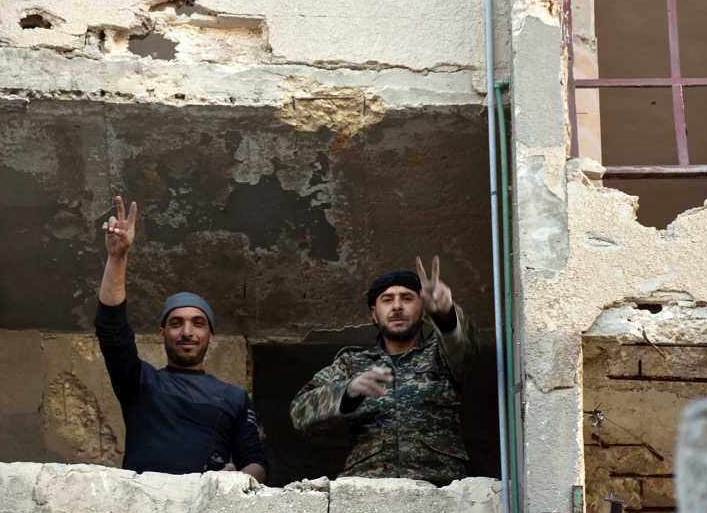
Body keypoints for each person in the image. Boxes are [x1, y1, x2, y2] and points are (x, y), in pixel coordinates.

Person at [95, 196, 268, 483]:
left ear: (210, 335)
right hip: (144, 503)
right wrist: (117, 258)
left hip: (206, 507)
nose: (187, 332)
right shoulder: (139, 382)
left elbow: (256, 463)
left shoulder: (233, 398)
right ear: (162, 334)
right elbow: (111, 331)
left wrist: (237, 480)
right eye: (176, 323)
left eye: (198, 323)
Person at [289, 257, 480, 486]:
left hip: (440, 487)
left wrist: (445, 313)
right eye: (387, 300)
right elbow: (299, 413)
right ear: (374, 313)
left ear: (423, 312)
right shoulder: (352, 363)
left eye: (407, 298)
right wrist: (347, 391)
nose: (397, 306)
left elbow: (465, 344)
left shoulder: (442, 353)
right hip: (367, 488)